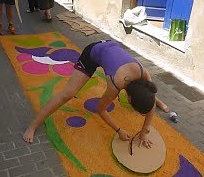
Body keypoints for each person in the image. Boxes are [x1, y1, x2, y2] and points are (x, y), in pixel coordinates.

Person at [23, 40, 169, 148]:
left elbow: (150, 107)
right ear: (129, 99)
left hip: (112, 47)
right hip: (93, 53)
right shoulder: (115, 85)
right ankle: (33, 125)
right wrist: (118, 130)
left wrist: (144, 132)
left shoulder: (146, 76)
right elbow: (100, 109)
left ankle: (159, 101)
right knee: (68, 93)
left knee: (150, 97)